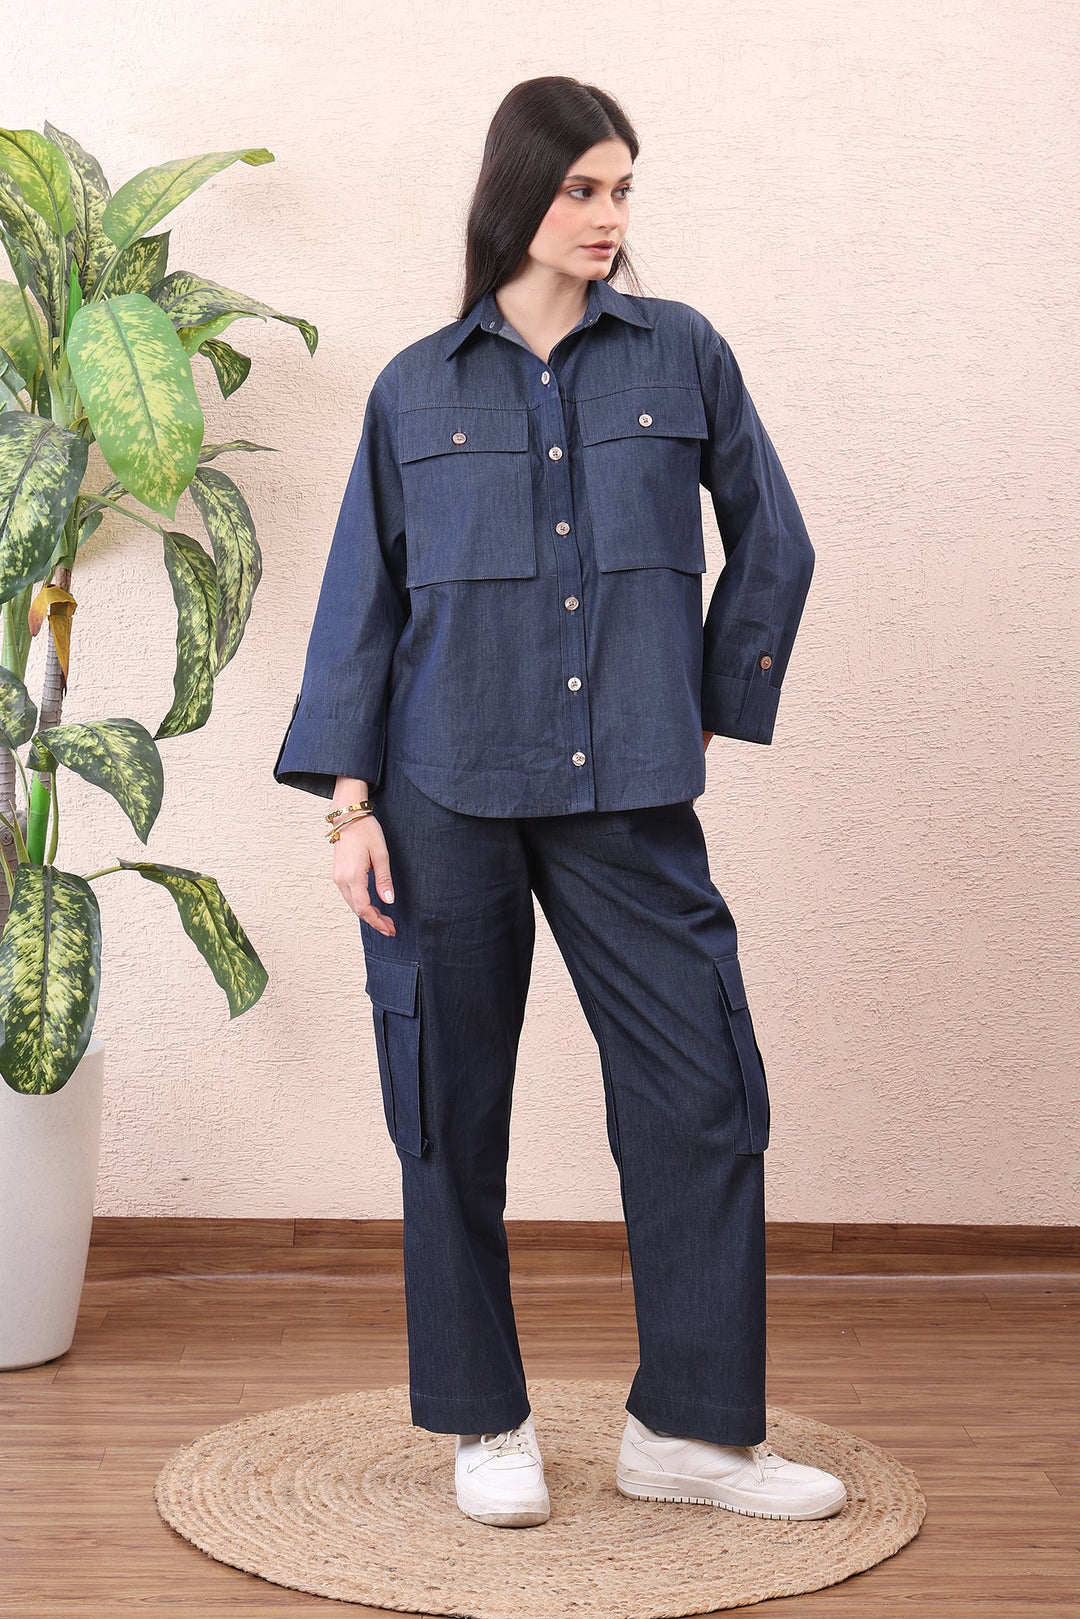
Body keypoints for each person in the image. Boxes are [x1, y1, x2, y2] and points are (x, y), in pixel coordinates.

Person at [273, 75, 846, 1530]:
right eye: (584, 187)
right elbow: (364, 604)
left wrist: (701, 702)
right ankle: (485, 1424)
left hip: (628, 797)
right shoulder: (416, 386)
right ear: (518, 191)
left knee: (702, 1093)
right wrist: (349, 810)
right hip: (441, 790)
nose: (609, 217)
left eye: (624, 190)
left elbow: (773, 544)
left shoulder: (683, 356)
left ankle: (694, 1435)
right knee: (448, 1108)